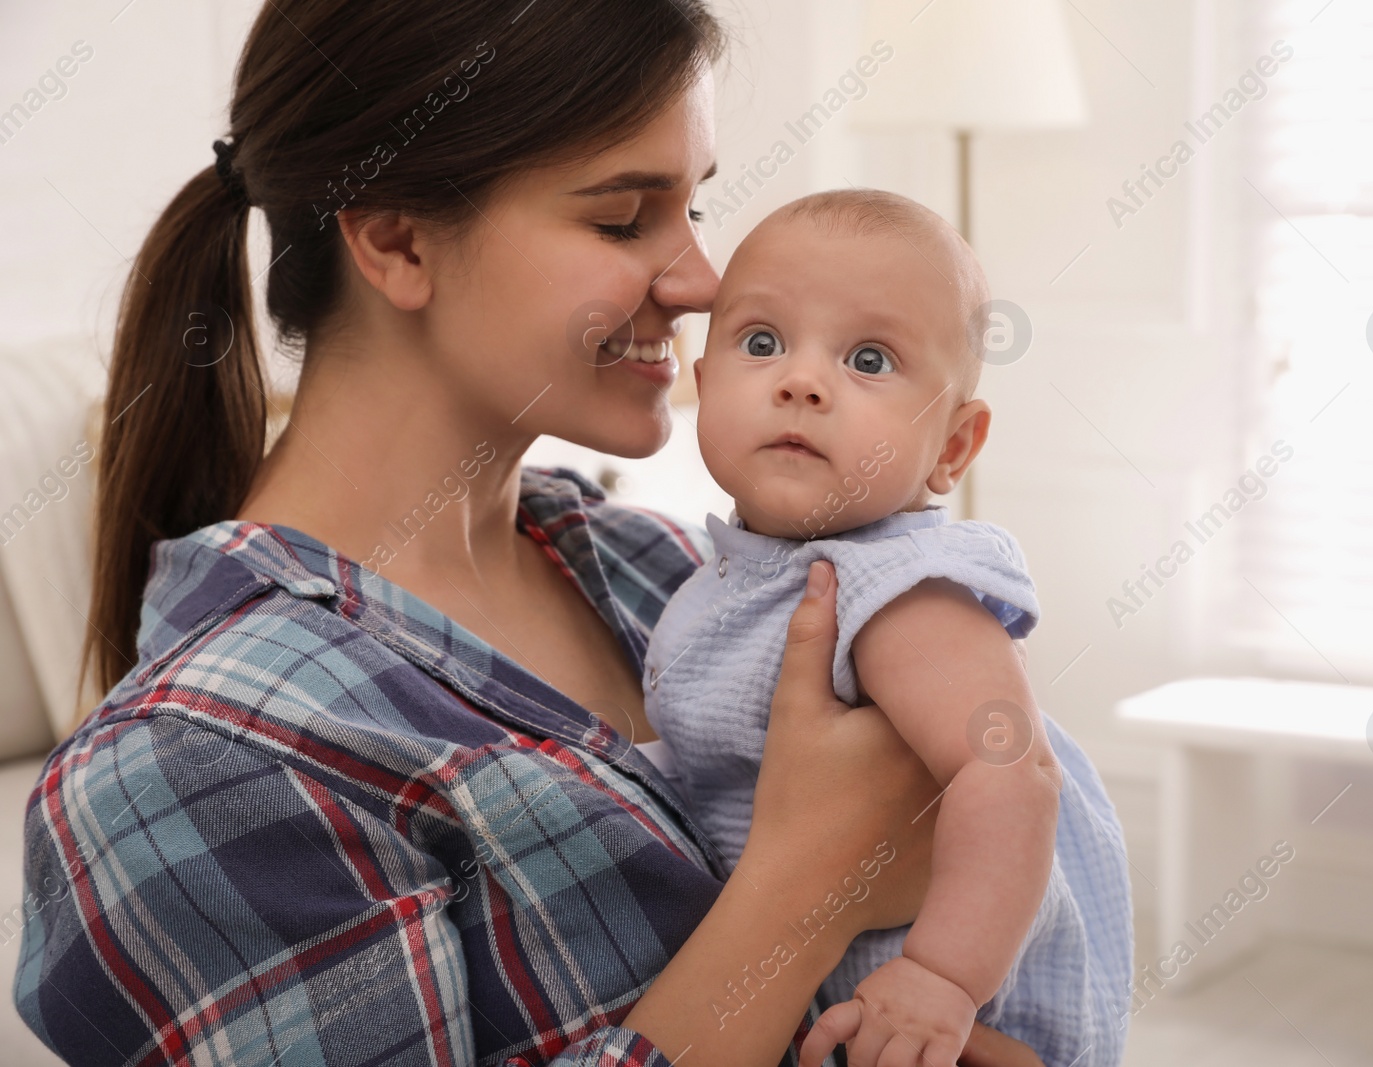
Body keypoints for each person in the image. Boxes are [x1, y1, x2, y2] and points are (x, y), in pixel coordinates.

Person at [10, 2, 1048, 1064]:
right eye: (621, 218)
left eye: (693, 206)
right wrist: (806, 880)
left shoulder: (666, 569)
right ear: (397, 239)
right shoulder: (195, 761)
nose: (699, 282)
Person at [641, 191, 1133, 1067]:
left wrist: (944, 978)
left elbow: (1012, 771)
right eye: (762, 342)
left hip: (942, 1012)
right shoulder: (726, 577)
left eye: (869, 359)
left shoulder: (898, 589)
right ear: (705, 385)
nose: (802, 380)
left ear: (952, 447)